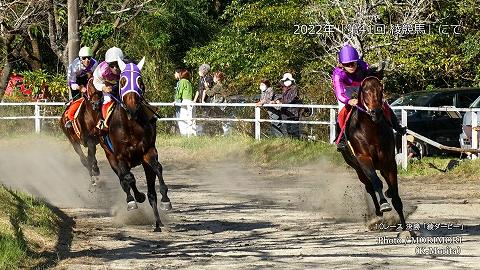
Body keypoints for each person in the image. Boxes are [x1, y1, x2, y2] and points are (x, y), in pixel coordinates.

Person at [332, 44, 406, 150]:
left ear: (357, 61)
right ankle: (341, 139)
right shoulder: (338, 74)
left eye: (353, 63)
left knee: (383, 102)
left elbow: (371, 80)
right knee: (342, 110)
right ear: (342, 65)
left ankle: (397, 125)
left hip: (361, 85)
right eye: (347, 64)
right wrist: (348, 101)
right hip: (346, 88)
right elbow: (340, 94)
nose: (351, 66)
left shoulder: (364, 66)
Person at [64, 46, 98, 128]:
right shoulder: (74, 66)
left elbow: (96, 78)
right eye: (84, 58)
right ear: (80, 59)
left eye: (89, 58)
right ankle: (70, 119)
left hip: (86, 78)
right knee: (78, 99)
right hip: (75, 81)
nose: (87, 60)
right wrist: (80, 88)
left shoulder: (95, 64)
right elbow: (72, 83)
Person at [93, 46, 124, 131]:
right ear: (107, 64)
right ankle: (104, 122)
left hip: (121, 84)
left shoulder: (126, 66)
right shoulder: (101, 70)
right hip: (107, 85)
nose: (115, 68)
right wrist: (103, 88)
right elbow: (96, 82)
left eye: (117, 64)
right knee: (107, 100)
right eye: (112, 65)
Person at [275, 73, 301, 139]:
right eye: (285, 80)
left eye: (288, 80)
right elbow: (283, 98)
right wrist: (277, 100)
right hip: (285, 112)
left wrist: (281, 103)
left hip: (293, 112)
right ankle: (291, 143)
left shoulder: (294, 88)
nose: (286, 81)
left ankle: (296, 143)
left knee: (294, 130)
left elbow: (291, 99)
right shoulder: (284, 89)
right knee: (288, 130)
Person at [174, 68, 196, 136]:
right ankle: (192, 134)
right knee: (191, 119)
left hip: (185, 102)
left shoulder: (182, 81)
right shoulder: (188, 82)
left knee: (182, 119)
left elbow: (179, 93)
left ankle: (184, 134)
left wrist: (175, 101)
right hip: (190, 102)